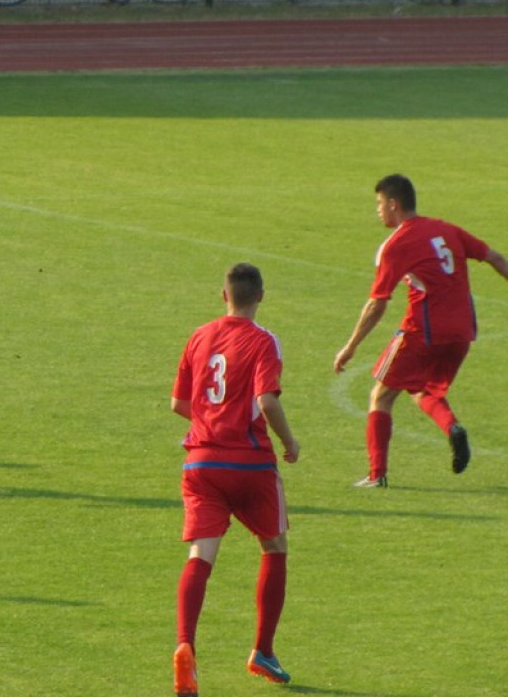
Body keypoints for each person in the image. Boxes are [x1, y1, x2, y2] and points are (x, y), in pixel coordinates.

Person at [169, 263, 300, 697]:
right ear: (261, 295)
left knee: (200, 555)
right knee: (274, 545)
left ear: (222, 295)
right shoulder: (264, 341)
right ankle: (263, 650)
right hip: (250, 465)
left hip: (200, 464)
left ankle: (185, 644)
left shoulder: (199, 335)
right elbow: (266, 400)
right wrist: (290, 442)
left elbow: (178, 403)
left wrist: (211, 421)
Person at [333, 174, 508, 488]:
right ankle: (452, 427)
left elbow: (377, 303)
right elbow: (495, 257)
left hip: (422, 331)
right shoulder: (446, 229)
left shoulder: (397, 244)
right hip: (463, 331)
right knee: (423, 389)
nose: (378, 211)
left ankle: (377, 475)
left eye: (378, 204)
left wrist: (351, 346)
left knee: (381, 397)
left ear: (393, 204)